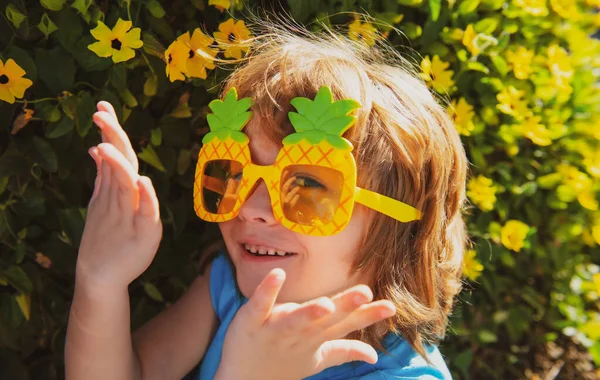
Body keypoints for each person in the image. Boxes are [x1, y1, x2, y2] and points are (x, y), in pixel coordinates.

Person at [64, 21, 468, 380]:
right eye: (234, 173)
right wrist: (100, 282)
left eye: (307, 187)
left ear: (403, 231)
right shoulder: (228, 289)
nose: (250, 209)